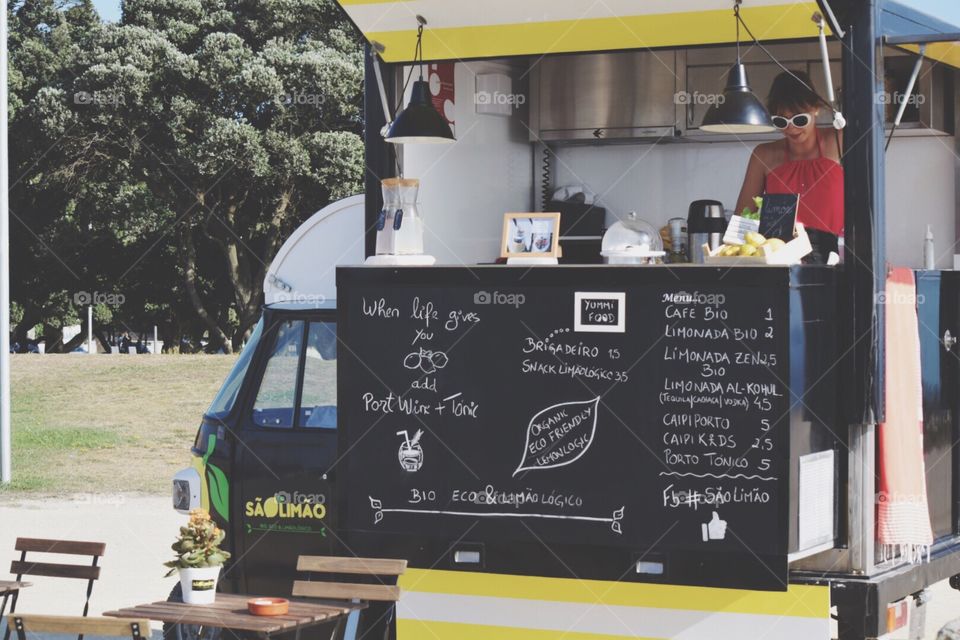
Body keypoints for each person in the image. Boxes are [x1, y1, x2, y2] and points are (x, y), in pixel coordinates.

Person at [736, 71, 843, 264]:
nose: (791, 128)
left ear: (816, 109)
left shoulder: (839, 140)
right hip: (780, 259)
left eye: (799, 119)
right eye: (781, 121)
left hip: (834, 256)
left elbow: (865, 201)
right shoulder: (763, 155)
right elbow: (743, 221)